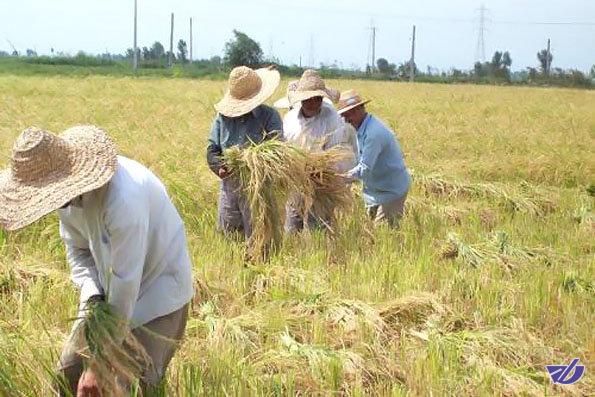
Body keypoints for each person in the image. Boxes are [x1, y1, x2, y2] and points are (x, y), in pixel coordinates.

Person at [0, 125, 194, 396]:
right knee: (67, 372)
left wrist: (99, 365)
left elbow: (126, 286)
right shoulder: (66, 201)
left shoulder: (124, 199)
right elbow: (78, 252)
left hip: (157, 296)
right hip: (107, 298)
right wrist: (92, 298)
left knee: (127, 387)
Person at [207, 66, 282, 239]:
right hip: (229, 186)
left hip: (258, 187)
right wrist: (219, 166)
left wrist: (253, 162)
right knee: (230, 239)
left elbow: (277, 150)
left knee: (259, 240)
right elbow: (212, 149)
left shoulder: (269, 117)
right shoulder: (222, 118)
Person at [281, 69, 357, 232]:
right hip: (297, 181)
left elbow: (336, 153)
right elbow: (285, 147)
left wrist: (319, 169)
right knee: (293, 226)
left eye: (318, 98)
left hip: (322, 182)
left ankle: (322, 254)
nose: (313, 102)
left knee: (320, 228)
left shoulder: (332, 118)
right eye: (309, 98)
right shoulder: (290, 120)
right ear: (301, 98)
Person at [337, 90, 411, 227]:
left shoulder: (373, 133)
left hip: (390, 191)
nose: (347, 119)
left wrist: (338, 178)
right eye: (344, 115)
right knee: (374, 232)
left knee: (383, 235)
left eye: (349, 114)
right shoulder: (360, 128)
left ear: (360, 109)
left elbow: (364, 169)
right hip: (374, 191)